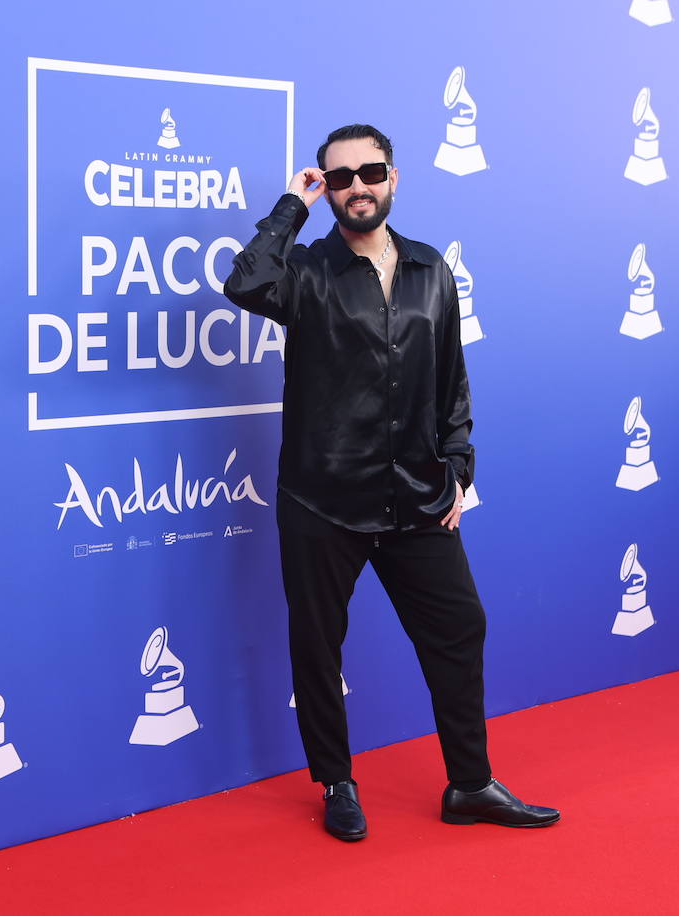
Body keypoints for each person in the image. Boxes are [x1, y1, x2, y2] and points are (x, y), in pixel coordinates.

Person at [223, 124, 559, 841]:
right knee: (319, 645)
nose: (357, 188)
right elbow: (244, 281)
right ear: (327, 189)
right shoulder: (305, 272)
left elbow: (451, 382)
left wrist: (458, 469)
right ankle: (336, 782)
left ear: (394, 178)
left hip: (415, 495)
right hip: (322, 499)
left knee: (461, 626)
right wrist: (291, 206)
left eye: (370, 172)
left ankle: (470, 783)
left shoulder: (432, 270)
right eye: (339, 178)